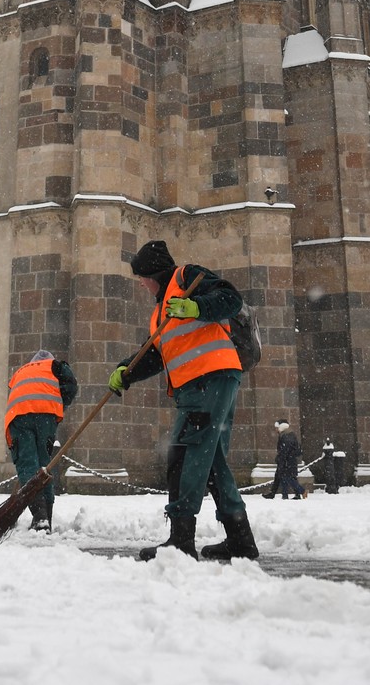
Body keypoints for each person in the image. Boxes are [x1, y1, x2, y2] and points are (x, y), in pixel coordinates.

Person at [107, 239, 259, 562]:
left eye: (142, 277)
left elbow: (231, 299)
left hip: (209, 379)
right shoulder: (160, 312)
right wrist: (126, 371)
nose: (141, 284)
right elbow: (155, 355)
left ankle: (181, 540)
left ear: (156, 273)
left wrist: (197, 307)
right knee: (212, 461)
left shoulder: (187, 278)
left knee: (183, 454)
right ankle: (241, 539)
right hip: (205, 383)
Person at [4, 348, 78, 533]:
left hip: (19, 415)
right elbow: (71, 386)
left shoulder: (21, 370)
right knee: (45, 465)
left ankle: (40, 516)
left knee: (27, 464)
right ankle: (46, 519)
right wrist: (61, 405)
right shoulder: (56, 366)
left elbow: (16, 392)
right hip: (46, 415)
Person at [263, 419, 306, 500]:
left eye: (277, 428)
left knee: (286, 478)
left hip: (287, 461)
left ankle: (301, 491)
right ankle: (281, 494)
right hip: (288, 460)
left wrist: (280, 459)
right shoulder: (287, 434)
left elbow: (284, 450)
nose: (276, 430)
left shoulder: (286, 436)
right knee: (282, 477)